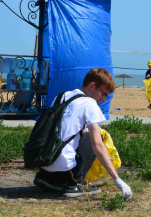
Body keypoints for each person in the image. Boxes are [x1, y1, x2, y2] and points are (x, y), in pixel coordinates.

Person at [33, 68, 132, 200]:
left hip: (44, 167)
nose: (103, 99)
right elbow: (97, 145)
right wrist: (117, 179)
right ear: (92, 86)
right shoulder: (90, 104)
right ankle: (74, 184)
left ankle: (49, 180)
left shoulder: (61, 96)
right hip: (65, 173)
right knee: (98, 137)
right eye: (103, 94)